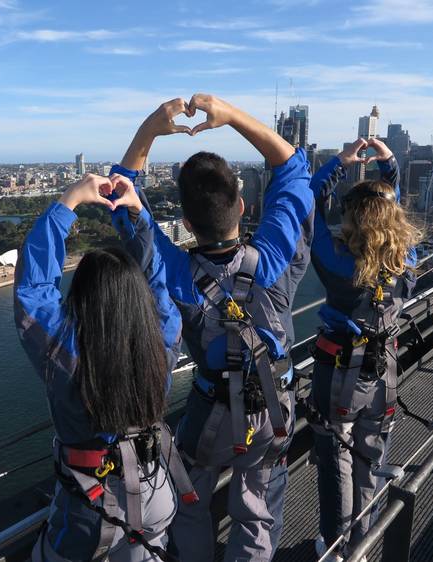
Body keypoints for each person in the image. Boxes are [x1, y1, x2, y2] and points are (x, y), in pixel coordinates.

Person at [110, 94, 314, 561]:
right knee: (257, 510)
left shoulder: (176, 274)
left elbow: (123, 199)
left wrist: (149, 129)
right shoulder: (275, 260)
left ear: (185, 222)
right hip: (274, 409)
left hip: (209, 415)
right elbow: (294, 172)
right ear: (242, 206)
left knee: (190, 501)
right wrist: (232, 116)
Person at [14, 174, 197, 561]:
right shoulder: (161, 338)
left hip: (91, 504)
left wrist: (68, 202)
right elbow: (157, 281)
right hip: (155, 488)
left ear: (80, 300)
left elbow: (33, 291)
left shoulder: (66, 357)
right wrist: (139, 216)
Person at [307, 138, 422, 561]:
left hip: (339, 373)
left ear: (352, 220)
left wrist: (338, 163)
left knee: (336, 458)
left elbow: (309, 205)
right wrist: (390, 167)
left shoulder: (338, 264)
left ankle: (336, 548)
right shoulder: (404, 260)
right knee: (370, 457)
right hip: (386, 370)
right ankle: (363, 541)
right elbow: (396, 209)